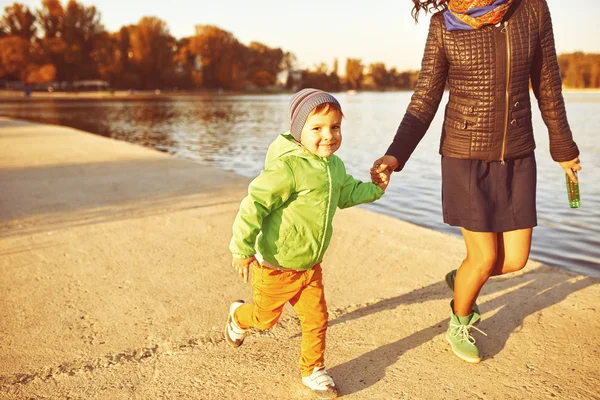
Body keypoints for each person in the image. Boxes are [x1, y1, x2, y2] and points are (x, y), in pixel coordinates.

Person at [371, 0, 582, 364]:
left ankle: (465, 275)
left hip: (517, 151)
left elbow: (547, 82)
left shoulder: (531, 9)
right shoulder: (443, 25)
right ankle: (460, 318)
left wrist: (562, 146)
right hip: (464, 154)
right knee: (484, 258)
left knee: (515, 260)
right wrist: (395, 154)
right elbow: (425, 98)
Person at [226, 88, 390, 399]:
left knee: (316, 318)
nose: (328, 135)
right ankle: (237, 316)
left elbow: (347, 193)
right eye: (317, 128)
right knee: (264, 320)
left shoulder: (334, 167)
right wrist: (242, 250)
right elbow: (254, 205)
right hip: (275, 265)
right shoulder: (287, 168)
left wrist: (376, 188)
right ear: (298, 129)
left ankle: (313, 370)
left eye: (335, 127)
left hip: (310, 266)